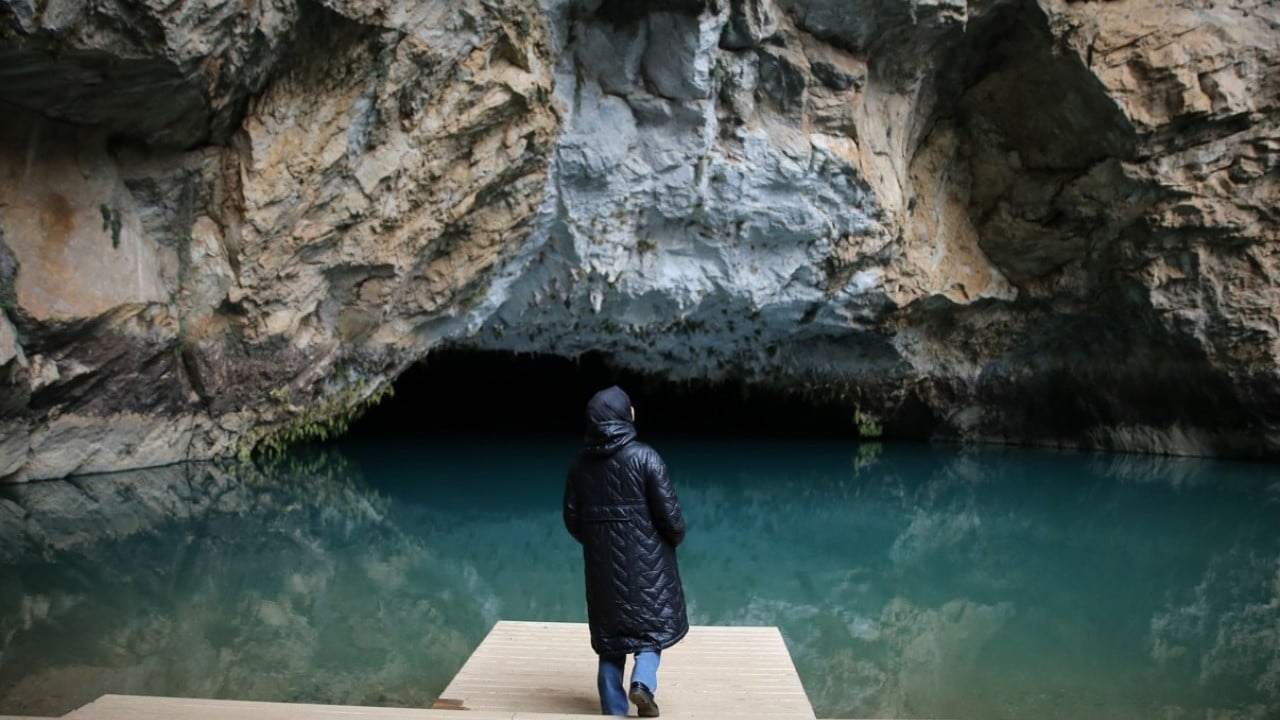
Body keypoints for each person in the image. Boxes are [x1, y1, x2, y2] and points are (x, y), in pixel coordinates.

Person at [563, 385, 688, 717]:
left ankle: (613, 709)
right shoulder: (645, 457)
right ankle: (643, 683)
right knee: (650, 631)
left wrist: (599, 544)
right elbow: (672, 519)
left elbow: (572, 520)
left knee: (611, 640)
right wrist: (671, 540)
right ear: (623, 416)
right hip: (648, 564)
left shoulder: (580, 465)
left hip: (603, 567)